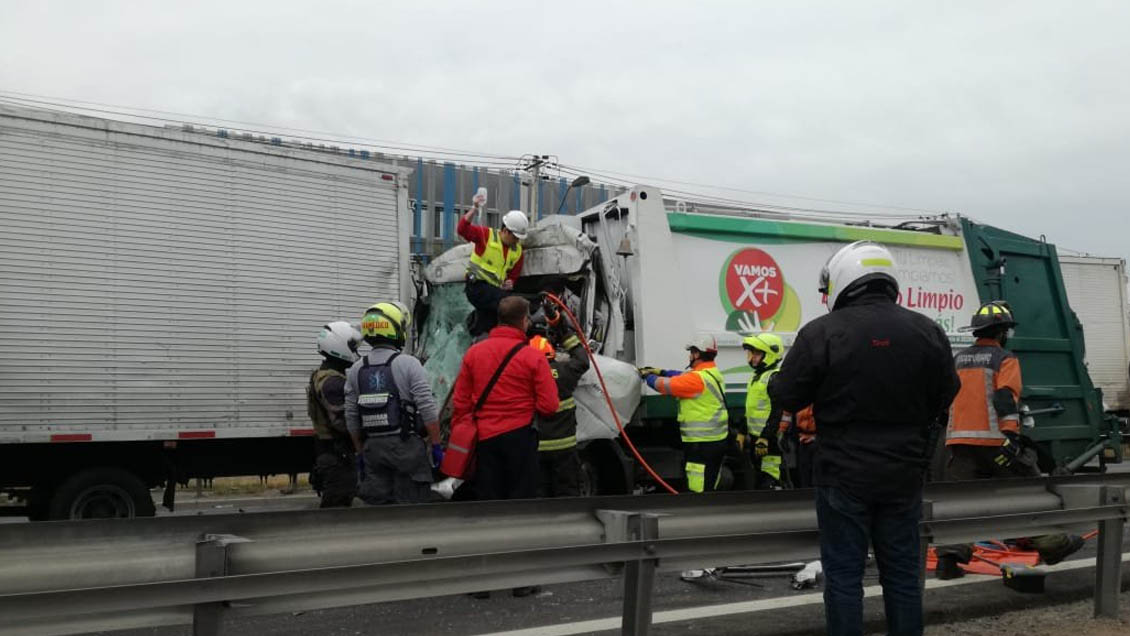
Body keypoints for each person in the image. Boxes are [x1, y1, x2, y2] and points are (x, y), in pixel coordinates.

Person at [769, 240, 960, 636]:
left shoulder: (822, 332)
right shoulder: (927, 330)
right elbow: (947, 391)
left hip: (842, 473)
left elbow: (787, 396)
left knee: (843, 578)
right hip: (903, 473)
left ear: (842, 280)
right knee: (903, 577)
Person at [936, 301, 1083, 570]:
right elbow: (1004, 398)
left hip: (959, 445)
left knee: (959, 505)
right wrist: (1011, 437)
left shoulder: (958, 359)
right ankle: (1053, 545)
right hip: (994, 442)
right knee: (1026, 491)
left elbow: (946, 400)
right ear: (1001, 332)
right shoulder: (1004, 358)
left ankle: (949, 558)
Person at [450, 295, 559, 501]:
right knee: (521, 500)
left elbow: (461, 402)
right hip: (520, 438)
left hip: (484, 440)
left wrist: (465, 431)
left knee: (489, 500)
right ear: (524, 320)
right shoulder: (533, 357)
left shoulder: (474, 353)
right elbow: (550, 405)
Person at [344, 301, 442, 505]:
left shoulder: (356, 369)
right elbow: (427, 408)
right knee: (413, 509)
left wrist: (360, 451)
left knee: (379, 512)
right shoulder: (408, 363)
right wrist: (436, 444)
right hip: (406, 448)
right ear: (395, 329)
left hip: (373, 450)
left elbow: (351, 417)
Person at [639, 334, 729, 494]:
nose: (689, 356)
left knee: (698, 486)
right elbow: (682, 376)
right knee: (709, 482)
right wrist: (662, 371)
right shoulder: (711, 373)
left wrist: (648, 376)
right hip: (713, 441)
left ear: (697, 354)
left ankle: (699, 512)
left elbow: (664, 386)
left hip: (701, 443)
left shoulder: (697, 380)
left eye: (691, 352)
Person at [306, 321, 363, 508]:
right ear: (339, 346)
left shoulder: (327, 375)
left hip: (333, 453)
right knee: (337, 510)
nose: (355, 352)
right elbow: (343, 423)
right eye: (352, 346)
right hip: (337, 455)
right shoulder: (332, 382)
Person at [530, 322, 590, 498]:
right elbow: (582, 360)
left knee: (539, 494)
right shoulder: (565, 372)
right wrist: (564, 331)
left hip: (536, 449)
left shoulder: (525, 375)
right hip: (565, 448)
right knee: (567, 493)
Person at [458, 192, 530, 337]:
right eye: (515, 237)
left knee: (489, 322)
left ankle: (481, 337)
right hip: (477, 287)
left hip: (492, 291)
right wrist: (474, 208)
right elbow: (462, 229)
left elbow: (513, 275)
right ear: (505, 231)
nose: (517, 241)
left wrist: (511, 283)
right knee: (510, 305)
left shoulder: (517, 251)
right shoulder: (486, 235)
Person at [742, 332, 786, 489]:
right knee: (760, 476)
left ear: (770, 355)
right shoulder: (757, 377)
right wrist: (742, 431)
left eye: (757, 353)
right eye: (751, 353)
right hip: (757, 438)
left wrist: (766, 437)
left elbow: (777, 411)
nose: (752, 357)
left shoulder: (774, 378)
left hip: (770, 440)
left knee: (770, 477)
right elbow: (750, 408)